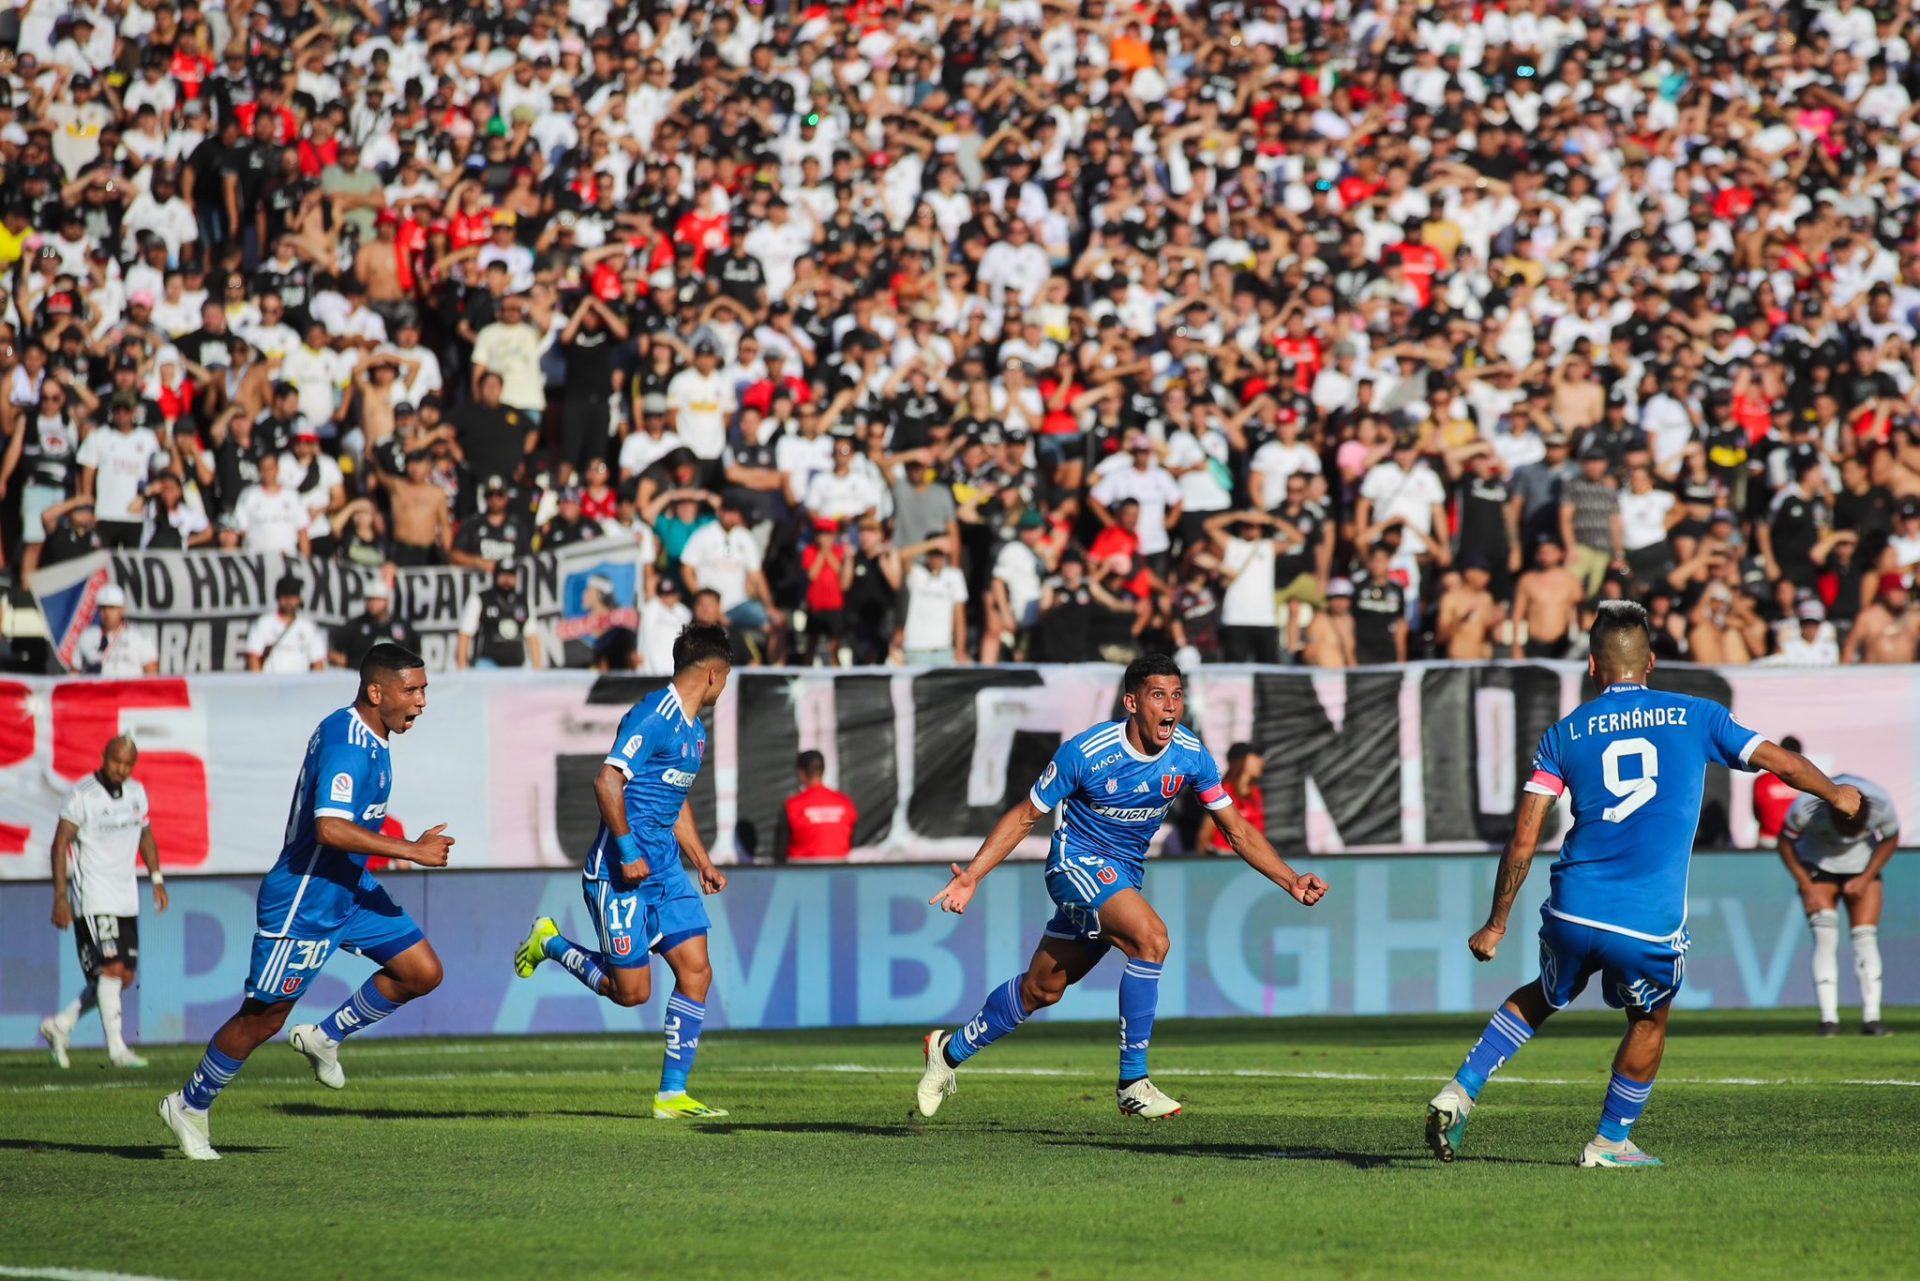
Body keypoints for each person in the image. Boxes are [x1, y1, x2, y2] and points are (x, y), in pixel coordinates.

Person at [1423, 601, 1859, 1168]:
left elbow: (1525, 838)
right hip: (1646, 920)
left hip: (1573, 907)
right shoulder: (1697, 715)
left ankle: (1460, 1089)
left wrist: (1497, 921)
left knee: (1546, 993)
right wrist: (1837, 795)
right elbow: (1783, 763)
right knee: (1650, 1018)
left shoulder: (1564, 734)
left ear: (1592, 668)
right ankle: (1609, 1142)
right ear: (1651, 661)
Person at [917, 654, 1329, 1121]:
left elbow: (1235, 830)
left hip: (1122, 875)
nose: (1170, 706)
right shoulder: (1087, 752)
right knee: (1151, 938)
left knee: (1042, 989)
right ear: (1132, 702)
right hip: (1074, 865)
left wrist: (1290, 879)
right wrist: (973, 874)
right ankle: (1133, 1081)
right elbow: (1025, 816)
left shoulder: (1191, 755)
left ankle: (947, 1052)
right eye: (1158, 695)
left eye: (1177, 695)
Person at [159, 644, 456, 1161]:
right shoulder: (346, 742)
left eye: (424, 689)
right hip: (305, 898)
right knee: (264, 1018)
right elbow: (329, 826)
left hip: (349, 890)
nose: (422, 701)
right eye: (412, 689)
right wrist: (411, 850)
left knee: (421, 971)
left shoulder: (373, 737)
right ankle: (188, 1103)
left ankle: (325, 1037)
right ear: (376, 691)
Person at [512, 624, 733, 1120]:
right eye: (727, 678)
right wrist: (629, 850)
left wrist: (702, 861)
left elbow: (673, 802)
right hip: (620, 873)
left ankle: (671, 1095)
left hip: (667, 874)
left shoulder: (694, 730)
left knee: (697, 971)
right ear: (714, 674)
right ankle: (550, 942)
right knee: (631, 994)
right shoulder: (653, 714)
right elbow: (607, 781)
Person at [40, 736, 165, 1070]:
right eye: (115, 762)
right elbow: (59, 845)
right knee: (109, 969)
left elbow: (146, 835)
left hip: (126, 896)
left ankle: (61, 1025)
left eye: (127, 764)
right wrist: (60, 896)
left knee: (121, 977)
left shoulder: (137, 793)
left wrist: (156, 879)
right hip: (94, 896)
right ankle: (117, 1050)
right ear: (104, 756)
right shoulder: (82, 795)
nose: (120, 769)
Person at [1777, 775, 1898, 1037]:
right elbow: (1785, 843)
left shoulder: (1882, 803)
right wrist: (1805, 885)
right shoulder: (1805, 808)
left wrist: (1867, 877)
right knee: (1825, 937)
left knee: (1865, 938)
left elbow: (1891, 838)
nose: (1846, 838)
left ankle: (1872, 1018)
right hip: (1818, 865)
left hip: (1863, 867)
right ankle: (1828, 1019)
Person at [776, 750, 858, 862]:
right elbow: (851, 840)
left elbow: (780, 851)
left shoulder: (792, 806)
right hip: (837, 873)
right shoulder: (845, 803)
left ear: (801, 773)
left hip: (802, 875)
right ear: (823, 771)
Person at [458, 562, 542, 669]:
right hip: (487, 665)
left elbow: (532, 636)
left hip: (516, 667)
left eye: (510, 575)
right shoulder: (480, 599)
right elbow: (465, 634)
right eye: (503, 575)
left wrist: (538, 669)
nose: (506, 579)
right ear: (495, 576)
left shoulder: (523, 601)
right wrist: (462, 668)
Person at [244, 575, 328, 673]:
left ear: (299, 599)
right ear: (278, 598)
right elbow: (253, 656)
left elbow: (317, 661)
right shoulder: (264, 623)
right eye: (285, 597)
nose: (289, 601)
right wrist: (258, 684)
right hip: (271, 683)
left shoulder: (308, 627)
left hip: (300, 684)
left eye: (292, 597)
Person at [330, 580, 416, 670]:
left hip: (397, 679)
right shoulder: (354, 625)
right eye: (369, 599)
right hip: (360, 678)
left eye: (377, 599)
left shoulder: (403, 625)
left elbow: (415, 652)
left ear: (387, 601)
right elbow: (334, 653)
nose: (373, 603)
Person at [74, 585, 159, 676]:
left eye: (112, 608)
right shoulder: (87, 637)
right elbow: (74, 671)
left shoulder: (139, 638)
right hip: (96, 689)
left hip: (129, 689)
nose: (107, 613)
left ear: (122, 610)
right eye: (103, 608)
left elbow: (151, 674)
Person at [1206, 743, 1265, 855]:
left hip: (1252, 859)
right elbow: (1205, 833)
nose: (1261, 761)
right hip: (1223, 860)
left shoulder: (1257, 793)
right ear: (1241, 760)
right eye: (1255, 756)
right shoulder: (1221, 792)